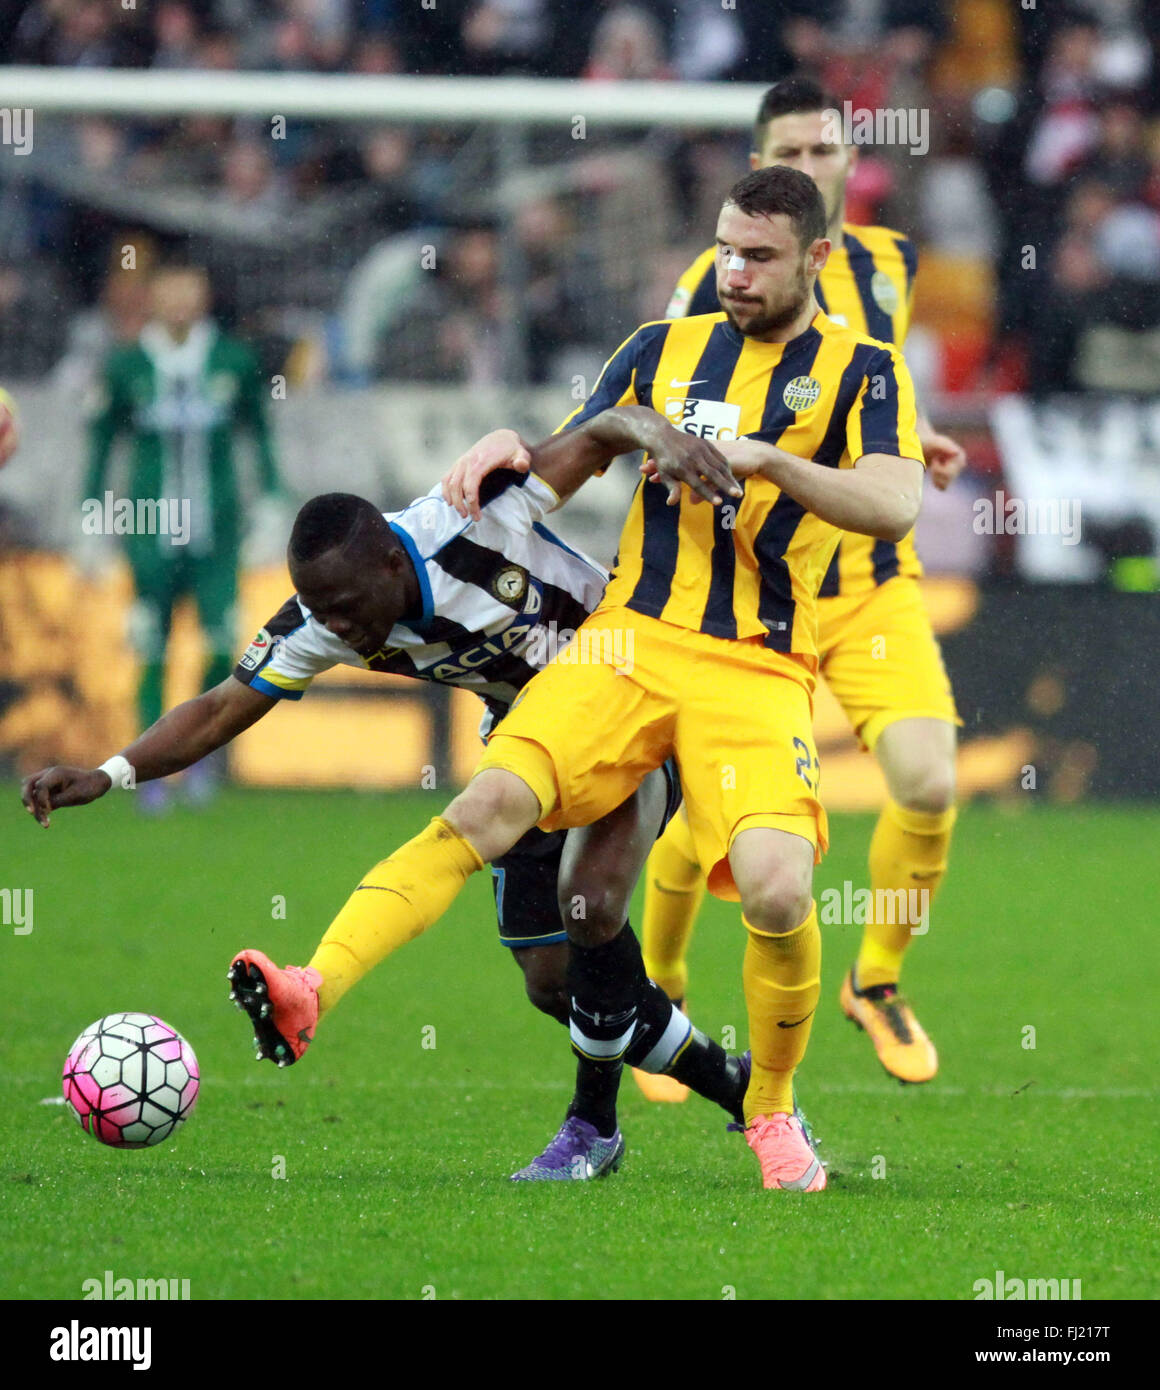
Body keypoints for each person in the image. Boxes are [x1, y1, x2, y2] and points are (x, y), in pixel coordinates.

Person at [225, 164, 922, 1192]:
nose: (733, 271)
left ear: (816, 258)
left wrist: (772, 462)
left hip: (756, 662)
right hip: (623, 641)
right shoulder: (657, 349)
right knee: (486, 810)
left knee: (776, 891)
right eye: (724, 249)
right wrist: (508, 445)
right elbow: (571, 457)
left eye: (759, 256)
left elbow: (890, 502)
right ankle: (311, 985)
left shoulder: (862, 372)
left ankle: (768, 1111)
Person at [21, 464, 751, 1180]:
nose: (334, 627)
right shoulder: (325, 619)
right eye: (318, 610)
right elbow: (217, 708)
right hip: (530, 742)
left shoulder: (471, 522)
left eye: (343, 606)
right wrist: (108, 772)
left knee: (587, 904)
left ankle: (589, 1123)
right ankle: (743, 1090)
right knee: (555, 981)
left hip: (630, 703)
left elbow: (589, 437)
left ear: (391, 562)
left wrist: (642, 426)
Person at [638, 77, 965, 1094]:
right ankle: (655, 992)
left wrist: (909, 444)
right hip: (752, 590)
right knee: (706, 822)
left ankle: (874, 980)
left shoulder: (888, 262)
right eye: (790, 152)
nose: (811, 168)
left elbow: (858, 390)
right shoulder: (713, 277)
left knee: (929, 782)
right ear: (758, 161)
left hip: (866, 579)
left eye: (825, 151)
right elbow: (678, 405)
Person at [84, 262, 285, 812]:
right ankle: (146, 772)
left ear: (204, 294)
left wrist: (271, 500)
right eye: (168, 288)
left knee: (223, 644)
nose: (179, 299)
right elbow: (102, 446)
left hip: (217, 535)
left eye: (189, 288)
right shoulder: (126, 365)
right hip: (148, 534)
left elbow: (259, 435)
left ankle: (197, 763)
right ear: (151, 295)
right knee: (151, 644)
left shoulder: (233, 360)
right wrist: (93, 521)